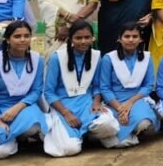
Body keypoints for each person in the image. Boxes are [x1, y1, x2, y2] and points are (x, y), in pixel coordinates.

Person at [42, 21, 120, 157]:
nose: (83, 41)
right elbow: (49, 92)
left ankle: (87, 134)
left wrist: (96, 102)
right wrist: (66, 113)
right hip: (62, 104)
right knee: (70, 149)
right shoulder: (57, 58)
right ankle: (77, 135)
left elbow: (97, 85)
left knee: (109, 125)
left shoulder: (96, 56)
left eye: (87, 37)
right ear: (70, 39)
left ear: (92, 38)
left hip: (86, 103)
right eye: (78, 38)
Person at [0, 21, 47, 160]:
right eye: (17, 36)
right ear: (7, 39)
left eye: (26, 36)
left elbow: (36, 91)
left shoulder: (37, 60)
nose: (23, 40)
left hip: (25, 106)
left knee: (34, 125)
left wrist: (17, 108)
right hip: (0, 109)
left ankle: (21, 136)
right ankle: (7, 135)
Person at [97, 22, 160, 148]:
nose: (131, 40)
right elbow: (104, 87)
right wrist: (120, 109)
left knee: (144, 123)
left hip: (137, 99)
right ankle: (125, 134)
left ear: (140, 39)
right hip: (113, 101)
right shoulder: (109, 58)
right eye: (127, 36)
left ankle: (133, 132)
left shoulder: (147, 58)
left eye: (135, 36)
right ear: (119, 39)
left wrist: (130, 103)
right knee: (108, 126)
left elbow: (148, 85)